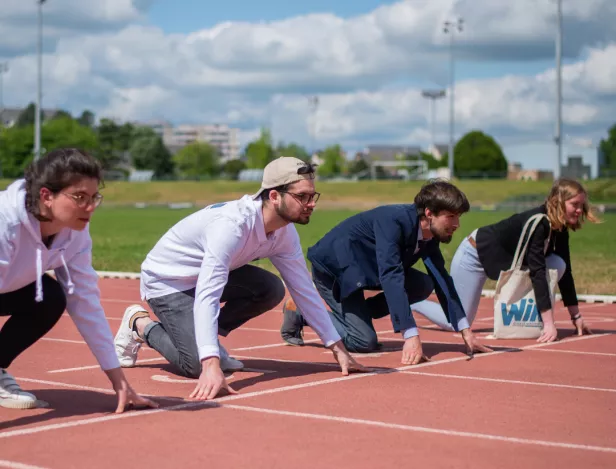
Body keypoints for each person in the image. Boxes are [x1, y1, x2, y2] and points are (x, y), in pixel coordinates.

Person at [114, 156, 366, 401]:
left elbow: (303, 289)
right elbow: (208, 293)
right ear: (274, 196)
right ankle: (139, 324)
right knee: (195, 365)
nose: (310, 203)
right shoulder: (232, 227)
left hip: (202, 275)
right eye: (302, 197)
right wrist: (210, 361)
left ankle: (207, 340)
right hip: (168, 281)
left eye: (312, 196)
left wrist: (337, 348)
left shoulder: (284, 232)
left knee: (270, 289)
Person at [0, 148, 157, 412]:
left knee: (49, 298)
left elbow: (85, 302)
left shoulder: (75, 234)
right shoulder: (5, 222)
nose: (90, 207)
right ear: (46, 196)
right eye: (79, 197)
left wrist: (120, 384)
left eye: (94, 197)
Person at [280, 179, 492, 364]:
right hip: (337, 271)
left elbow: (441, 278)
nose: (456, 224)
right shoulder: (393, 222)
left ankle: (357, 317)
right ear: (429, 213)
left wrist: (465, 331)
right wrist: (410, 334)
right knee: (363, 341)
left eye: (459, 217)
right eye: (451, 216)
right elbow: (391, 274)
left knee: (424, 284)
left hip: (366, 271)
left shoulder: (429, 233)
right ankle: (301, 312)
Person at [411, 177, 598, 343]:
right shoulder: (539, 223)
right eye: (575, 204)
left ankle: (536, 317)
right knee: (457, 321)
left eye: (582, 205)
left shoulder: (560, 226)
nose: (579, 210)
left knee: (559, 264)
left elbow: (565, 274)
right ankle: (412, 301)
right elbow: (537, 271)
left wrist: (576, 316)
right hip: (474, 256)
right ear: (559, 202)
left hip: (498, 260)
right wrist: (549, 324)